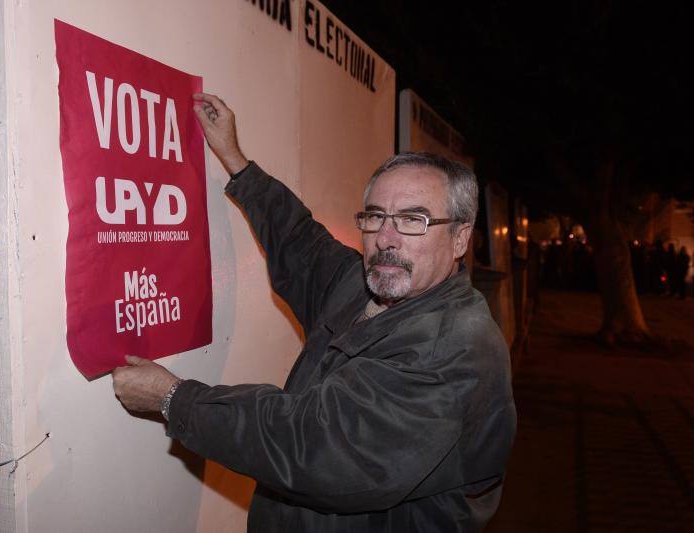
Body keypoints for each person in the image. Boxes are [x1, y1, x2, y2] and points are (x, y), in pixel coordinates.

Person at [112, 93, 516, 532]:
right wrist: (237, 162)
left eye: (413, 220)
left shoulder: (454, 349)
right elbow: (300, 243)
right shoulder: (367, 286)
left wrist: (174, 399)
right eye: (375, 216)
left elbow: (313, 445)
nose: (386, 237)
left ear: (460, 239)